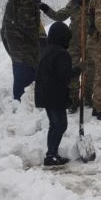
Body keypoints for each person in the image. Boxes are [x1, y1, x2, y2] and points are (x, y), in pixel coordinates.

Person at [40, 0, 96, 113]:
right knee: (72, 71)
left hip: (90, 43)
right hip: (74, 44)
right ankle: (73, 100)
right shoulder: (73, 4)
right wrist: (45, 8)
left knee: (90, 72)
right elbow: (59, 16)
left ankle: (88, 97)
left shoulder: (93, 3)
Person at [35, 21, 81, 167]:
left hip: (45, 94)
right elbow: (65, 75)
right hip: (54, 96)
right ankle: (51, 155)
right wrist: (80, 69)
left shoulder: (47, 50)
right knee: (60, 124)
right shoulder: (62, 54)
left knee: (54, 124)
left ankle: (51, 153)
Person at [1, 0, 47, 101]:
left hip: (14, 35)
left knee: (26, 64)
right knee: (24, 65)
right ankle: (20, 99)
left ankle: (25, 97)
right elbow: (27, 22)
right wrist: (38, 41)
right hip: (19, 38)